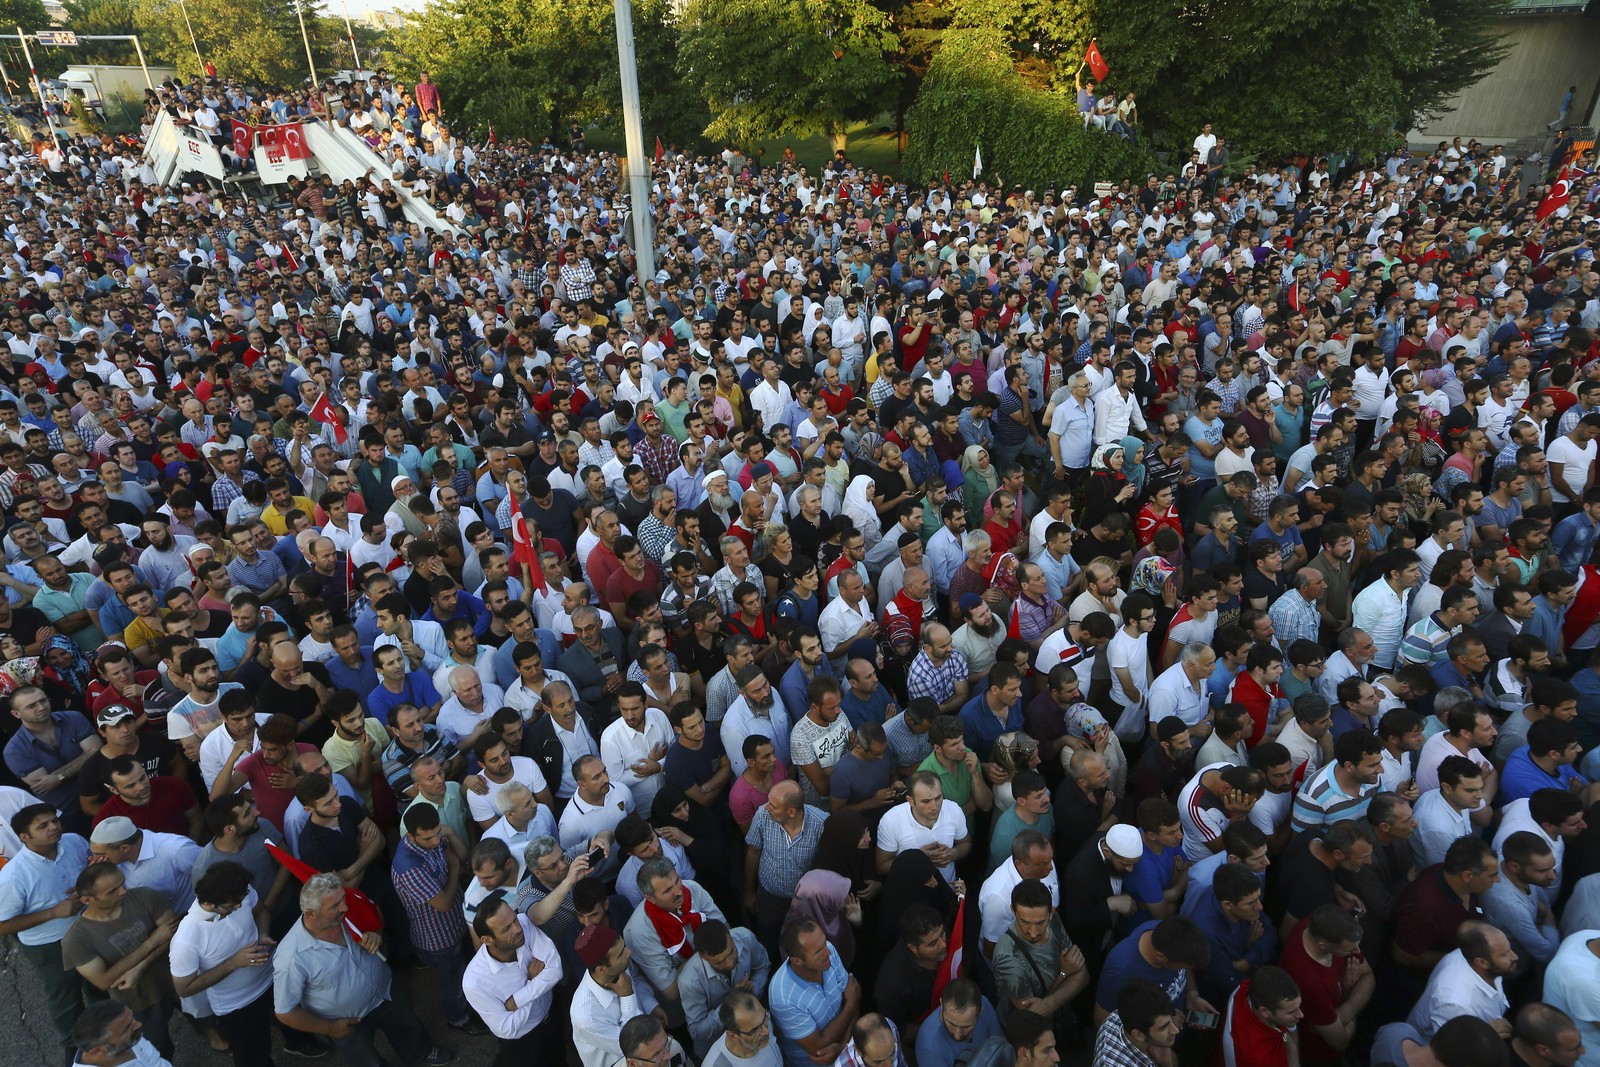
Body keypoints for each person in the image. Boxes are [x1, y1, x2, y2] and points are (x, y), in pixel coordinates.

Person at [272, 872, 452, 1067]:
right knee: (365, 1061)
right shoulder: (291, 958)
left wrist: (375, 934)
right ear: (310, 914)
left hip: (385, 992)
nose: (345, 907)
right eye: (335, 905)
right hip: (346, 1020)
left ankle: (421, 1052)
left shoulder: (345, 911)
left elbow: (375, 918)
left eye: (343, 899)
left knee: (407, 1026)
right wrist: (331, 1028)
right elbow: (285, 1012)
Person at [461, 895, 565, 1066]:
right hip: (524, 1041)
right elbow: (507, 1029)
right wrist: (532, 982)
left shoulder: (523, 922)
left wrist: (518, 1000)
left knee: (560, 1059)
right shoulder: (475, 982)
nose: (517, 928)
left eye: (514, 919)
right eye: (506, 928)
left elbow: (555, 970)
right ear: (487, 940)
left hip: (552, 1015)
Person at [768, 915, 863, 1067]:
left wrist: (843, 1047)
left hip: (847, 1047)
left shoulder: (828, 951)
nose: (828, 952)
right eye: (819, 951)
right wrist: (851, 1004)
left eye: (824, 943)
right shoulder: (783, 997)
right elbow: (819, 1048)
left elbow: (855, 995)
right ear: (797, 960)